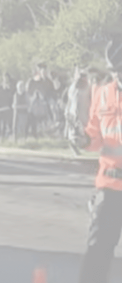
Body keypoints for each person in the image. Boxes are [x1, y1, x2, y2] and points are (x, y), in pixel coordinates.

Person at [70, 40, 122, 283]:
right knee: (97, 250)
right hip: (109, 186)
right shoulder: (102, 94)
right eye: (116, 72)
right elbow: (95, 136)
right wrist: (83, 140)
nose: (119, 76)